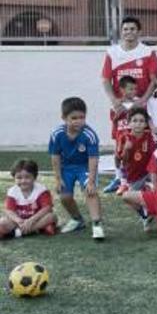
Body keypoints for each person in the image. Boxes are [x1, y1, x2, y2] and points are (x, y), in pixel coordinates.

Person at [49, 97, 104, 239]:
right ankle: (77, 219)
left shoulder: (89, 135)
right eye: (74, 118)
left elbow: (93, 159)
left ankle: (97, 225)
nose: (79, 121)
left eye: (82, 117)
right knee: (65, 196)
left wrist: (91, 181)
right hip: (66, 167)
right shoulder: (57, 134)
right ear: (64, 118)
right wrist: (58, 178)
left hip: (84, 166)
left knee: (90, 191)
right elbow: (55, 156)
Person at [101, 16, 157, 116]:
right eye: (125, 29)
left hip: (142, 106)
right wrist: (114, 100)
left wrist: (142, 100)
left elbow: (155, 80)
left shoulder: (148, 52)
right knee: (120, 132)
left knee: (143, 131)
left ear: (139, 32)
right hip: (120, 106)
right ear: (121, 32)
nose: (129, 32)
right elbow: (105, 79)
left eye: (132, 29)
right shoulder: (112, 52)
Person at [1, 159, 56, 239]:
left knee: (52, 216)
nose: (23, 181)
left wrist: (31, 220)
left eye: (27, 177)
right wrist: (18, 220)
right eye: (19, 178)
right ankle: (36, 229)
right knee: (2, 222)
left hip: (37, 219)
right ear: (14, 178)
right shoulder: (12, 191)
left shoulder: (41, 190)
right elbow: (9, 211)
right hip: (20, 221)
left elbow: (47, 208)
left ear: (34, 177)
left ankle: (20, 232)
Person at [114, 108, 157, 195]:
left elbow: (154, 158)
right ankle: (124, 184)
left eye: (141, 121)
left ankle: (147, 186)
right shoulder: (124, 137)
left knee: (155, 192)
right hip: (133, 177)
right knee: (130, 196)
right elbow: (121, 161)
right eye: (134, 121)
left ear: (145, 124)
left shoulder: (149, 137)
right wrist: (126, 149)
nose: (138, 124)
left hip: (147, 174)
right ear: (129, 123)